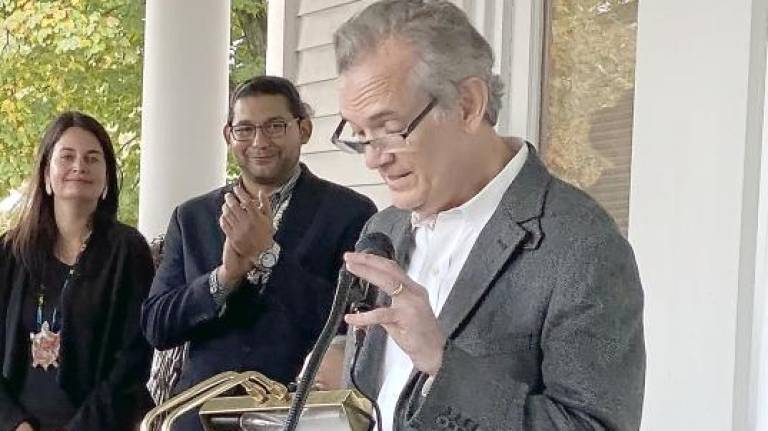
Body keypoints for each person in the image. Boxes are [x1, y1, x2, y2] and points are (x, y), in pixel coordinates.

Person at [332, 1, 646, 430]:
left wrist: (444, 366)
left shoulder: (581, 245)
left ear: (467, 105)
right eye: (359, 135)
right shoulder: (382, 229)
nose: (373, 160)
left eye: (388, 128)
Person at [141, 76, 377, 430]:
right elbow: (157, 325)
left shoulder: (350, 213)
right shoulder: (192, 217)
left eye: (275, 127)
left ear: (305, 129)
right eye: (245, 129)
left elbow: (350, 326)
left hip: (295, 415)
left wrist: (270, 257)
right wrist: (223, 279)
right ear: (228, 136)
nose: (259, 142)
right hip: (198, 416)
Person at [0, 112, 155, 431]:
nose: (79, 166)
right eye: (67, 156)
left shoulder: (128, 251)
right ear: (46, 175)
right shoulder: (10, 252)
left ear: (106, 179)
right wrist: (15, 423)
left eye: (92, 158)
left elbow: (132, 361)